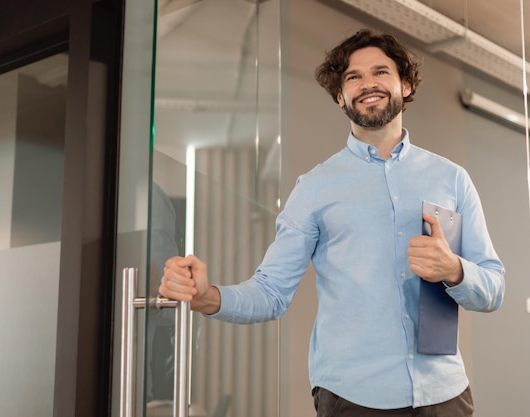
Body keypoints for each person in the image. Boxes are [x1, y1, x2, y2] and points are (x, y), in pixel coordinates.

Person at [159, 29, 505, 417]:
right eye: (353, 77)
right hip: (355, 398)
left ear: (405, 85)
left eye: (380, 72)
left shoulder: (452, 178)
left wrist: (454, 270)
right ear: (340, 96)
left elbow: (493, 286)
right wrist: (207, 297)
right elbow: (271, 292)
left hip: (446, 394)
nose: (367, 83)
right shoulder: (314, 188)